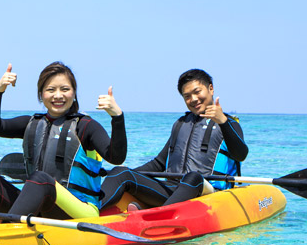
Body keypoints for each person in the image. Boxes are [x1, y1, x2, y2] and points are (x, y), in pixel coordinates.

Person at [0, 61, 126, 223]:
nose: (58, 95)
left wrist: (117, 117)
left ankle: (5, 237)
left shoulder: (85, 126)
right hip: (34, 209)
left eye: (65, 89)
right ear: (41, 95)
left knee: (41, 179)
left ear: (74, 93)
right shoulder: (32, 124)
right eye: (50, 90)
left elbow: (116, 157)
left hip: (77, 213)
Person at [100, 68, 247, 209]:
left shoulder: (229, 123)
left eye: (197, 92)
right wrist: (129, 173)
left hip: (207, 192)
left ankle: (158, 218)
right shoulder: (180, 124)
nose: (193, 99)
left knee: (193, 178)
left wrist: (223, 122)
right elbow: (159, 163)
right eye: (187, 96)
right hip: (174, 192)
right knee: (120, 172)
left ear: (211, 89)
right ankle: (90, 214)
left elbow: (241, 155)